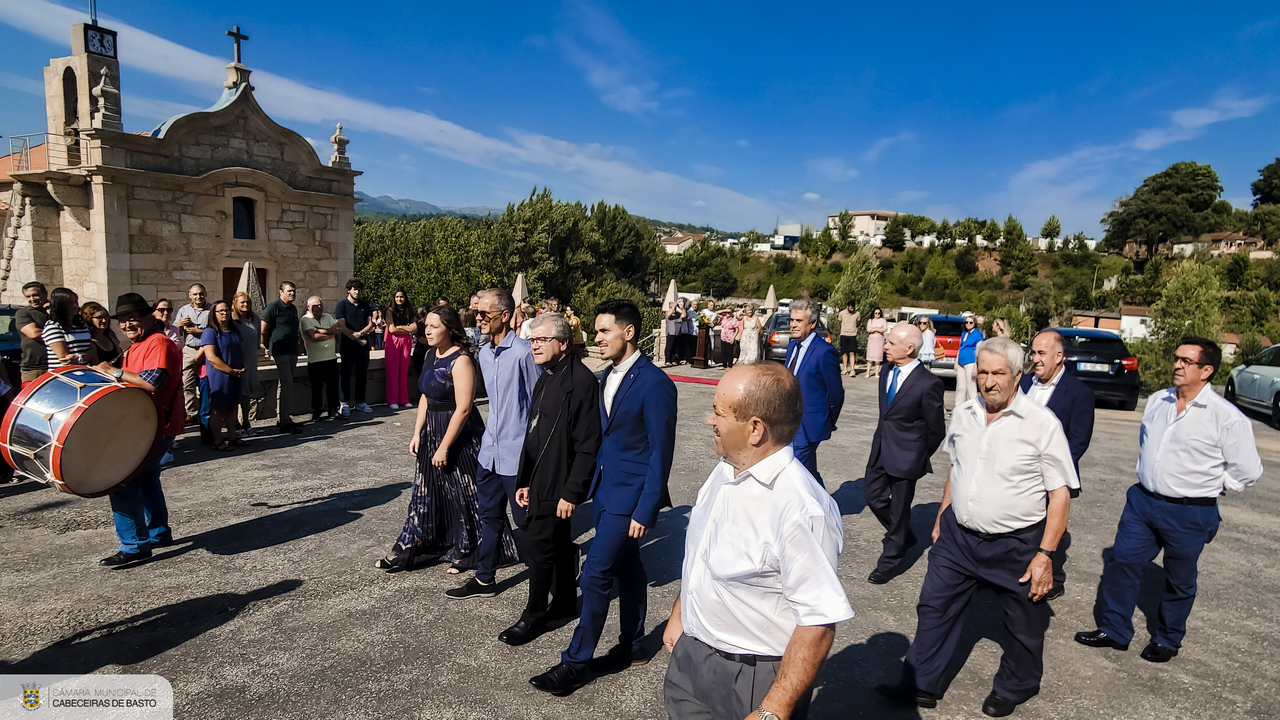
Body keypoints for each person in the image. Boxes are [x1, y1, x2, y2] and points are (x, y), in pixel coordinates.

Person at [877, 337, 1078, 718]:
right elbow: (958, 468)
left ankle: (1017, 684)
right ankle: (920, 683)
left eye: (998, 373)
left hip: (1017, 544)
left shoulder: (1041, 424)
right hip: (958, 537)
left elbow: (1060, 493)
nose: (988, 381)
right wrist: (941, 517)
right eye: (982, 372)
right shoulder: (966, 413)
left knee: (1023, 622)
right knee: (934, 607)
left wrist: (1045, 555)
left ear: (1017, 376)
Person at [663, 362, 853, 720]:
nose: (709, 420)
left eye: (719, 412)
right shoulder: (725, 471)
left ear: (754, 429)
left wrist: (773, 710)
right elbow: (702, 553)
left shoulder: (801, 508)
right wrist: (681, 614)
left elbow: (818, 620)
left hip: (754, 679)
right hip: (692, 659)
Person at [1076, 337, 1262, 664]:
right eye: (1177, 358)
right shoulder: (1158, 401)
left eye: (1187, 362)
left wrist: (1214, 486)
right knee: (1122, 562)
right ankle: (1115, 629)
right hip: (1143, 503)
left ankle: (1168, 638)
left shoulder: (1226, 417)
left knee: (1179, 579)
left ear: (1207, 371)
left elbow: (1248, 469)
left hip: (1190, 513)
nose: (1177, 365)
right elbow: (1148, 444)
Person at [529, 299, 678, 694]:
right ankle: (632, 645)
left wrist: (646, 509)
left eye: (603, 331)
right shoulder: (604, 376)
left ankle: (575, 664)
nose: (596, 338)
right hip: (605, 491)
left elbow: (661, 455)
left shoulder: (656, 384)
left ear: (628, 333)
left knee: (594, 575)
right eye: (595, 331)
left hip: (630, 498)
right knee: (628, 568)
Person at [501, 313, 602, 649]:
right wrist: (524, 479)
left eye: (541, 340)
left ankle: (533, 614)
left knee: (539, 546)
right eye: (532, 340)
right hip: (540, 477)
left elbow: (588, 444)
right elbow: (534, 430)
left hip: (560, 481)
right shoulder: (546, 376)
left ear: (562, 343)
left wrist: (572, 492)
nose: (534, 346)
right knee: (556, 542)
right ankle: (563, 602)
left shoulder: (581, 382)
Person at [379, 306, 491, 573]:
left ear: (449, 329)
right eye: (426, 326)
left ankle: (468, 550)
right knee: (425, 491)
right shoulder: (430, 354)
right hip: (432, 430)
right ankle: (406, 547)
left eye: (434, 326)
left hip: (458, 433)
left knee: (461, 493)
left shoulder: (461, 359)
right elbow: (425, 398)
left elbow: (464, 407)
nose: (427, 330)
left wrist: (444, 447)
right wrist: (417, 432)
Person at [445, 288, 534, 601]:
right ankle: (485, 579)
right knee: (489, 517)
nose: (479, 318)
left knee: (527, 520)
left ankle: (558, 567)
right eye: (476, 313)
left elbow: (539, 406)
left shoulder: (524, 352)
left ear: (505, 316)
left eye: (485, 314)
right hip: (490, 454)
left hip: (517, 456)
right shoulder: (483, 352)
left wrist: (534, 455)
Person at [94, 293, 183, 567]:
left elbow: (153, 381)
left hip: (156, 425)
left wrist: (114, 372)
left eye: (132, 318)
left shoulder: (157, 342)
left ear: (148, 317)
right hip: (149, 424)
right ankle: (158, 533)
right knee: (146, 479)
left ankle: (135, 545)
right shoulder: (140, 343)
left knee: (122, 480)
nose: (126, 325)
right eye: (122, 320)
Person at [864, 323, 946, 584]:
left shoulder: (928, 383)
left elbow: (936, 430)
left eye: (890, 343)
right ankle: (904, 535)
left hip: (908, 455)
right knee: (873, 498)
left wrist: (918, 454)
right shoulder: (887, 370)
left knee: (900, 510)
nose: (885, 346)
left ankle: (890, 561)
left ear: (909, 349)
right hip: (881, 448)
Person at [1020, 329, 1095, 599]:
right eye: (1033, 353)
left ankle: (1054, 578)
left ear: (1059, 356)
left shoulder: (1078, 393)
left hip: (1053, 474)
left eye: (1041, 353)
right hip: (1019, 471)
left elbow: (1078, 441)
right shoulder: (1025, 384)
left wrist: (1049, 468)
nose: (1035, 359)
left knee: (1052, 527)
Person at [783, 299, 844, 485]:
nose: (793, 324)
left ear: (812, 324)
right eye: (792, 320)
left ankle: (818, 508)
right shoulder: (792, 346)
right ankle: (824, 507)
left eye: (798, 321)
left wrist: (827, 420)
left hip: (808, 425)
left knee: (794, 471)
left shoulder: (824, 351)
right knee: (806, 473)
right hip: (788, 423)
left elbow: (836, 394)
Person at [200, 300, 246, 451]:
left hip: (235, 374)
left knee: (232, 406)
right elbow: (212, 357)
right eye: (220, 311)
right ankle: (218, 440)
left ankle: (233, 437)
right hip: (219, 375)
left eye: (226, 310)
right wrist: (230, 371)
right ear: (214, 313)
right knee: (218, 409)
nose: (224, 313)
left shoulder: (234, 330)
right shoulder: (210, 332)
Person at [261, 282, 303, 433]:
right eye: (289, 291)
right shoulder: (273, 307)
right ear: (281, 292)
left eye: (294, 291)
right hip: (280, 352)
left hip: (292, 351)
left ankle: (284, 417)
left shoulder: (293, 309)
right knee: (287, 383)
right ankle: (285, 420)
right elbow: (262, 329)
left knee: (285, 385)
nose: (292, 294)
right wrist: (265, 347)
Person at [335, 279, 375, 416]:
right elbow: (341, 325)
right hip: (348, 346)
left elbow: (371, 324)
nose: (357, 292)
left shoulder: (365, 305)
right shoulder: (342, 305)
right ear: (348, 290)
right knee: (346, 374)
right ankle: (344, 403)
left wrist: (360, 334)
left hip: (363, 345)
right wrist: (354, 337)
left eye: (358, 289)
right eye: (354, 289)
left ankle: (360, 402)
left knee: (362, 374)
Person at [300, 297, 344, 422]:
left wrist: (322, 331)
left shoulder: (327, 317)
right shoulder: (305, 320)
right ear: (309, 307)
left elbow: (337, 329)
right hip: (315, 360)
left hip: (331, 358)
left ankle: (333, 410)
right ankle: (317, 412)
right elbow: (313, 336)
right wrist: (329, 333)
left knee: (333, 386)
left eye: (320, 305)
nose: (319, 308)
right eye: (315, 306)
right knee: (317, 388)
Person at [175, 283, 210, 421]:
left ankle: (207, 410)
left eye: (201, 293)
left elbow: (217, 329)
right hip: (189, 349)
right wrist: (180, 324)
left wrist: (199, 331)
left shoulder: (212, 309)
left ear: (205, 294)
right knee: (187, 382)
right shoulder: (184, 310)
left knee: (207, 383)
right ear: (190, 295)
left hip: (207, 349)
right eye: (195, 294)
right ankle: (192, 412)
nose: (198, 296)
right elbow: (175, 330)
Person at [231, 293, 264, 436]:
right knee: (235, 393)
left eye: (247, 303)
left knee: (247, 394)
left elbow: (257, 340)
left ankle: (246, 421)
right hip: (235, 360)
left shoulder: (255, 319)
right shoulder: (231, 320)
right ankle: (235, 424)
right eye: (242, 302)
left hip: (250, 360)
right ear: (235, 303)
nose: (245, 305)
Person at [42, 287, 97, 368]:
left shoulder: (82, 324)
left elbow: (93, 351)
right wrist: (86, 356)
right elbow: (66, 359)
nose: (75, 305)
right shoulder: (53, 327)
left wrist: (80, 358)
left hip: (85, 371)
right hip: (63, 374)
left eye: (75, 301)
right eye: (70, 303)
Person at [384, 288, 416, 411]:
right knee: (392, 371)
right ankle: (392, 400)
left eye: (401, 297)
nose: (399, 299)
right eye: (397, 297)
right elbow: (392, 329)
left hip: (405, 341)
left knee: (404, 370)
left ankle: (404, 399)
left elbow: (415, 327)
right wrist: (407, 328)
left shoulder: (408, 310)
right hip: (393, 341)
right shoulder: (390, 311)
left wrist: (401, 327)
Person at [14, 281, 50, 387]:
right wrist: (58, 335)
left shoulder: (54, 312)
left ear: (45, 294)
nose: (32, 299)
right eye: (28, 296)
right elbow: (34, 333)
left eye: (35, 295)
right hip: (34, 368)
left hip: (57, 364)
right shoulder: (24, 313)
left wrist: (52, 312)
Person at [954, 313, 984, 406]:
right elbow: (960, 348)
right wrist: (956, 362)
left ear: (974, 323)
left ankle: (973, 407)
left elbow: (979, 350)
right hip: (961, 362)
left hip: (971, 362)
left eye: (970, 322)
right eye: (966, 322)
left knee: (971, 387)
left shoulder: (978, 334)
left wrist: (976, 365)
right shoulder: (964, 333)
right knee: (961, 387)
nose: (968, 324)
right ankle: (958, 407)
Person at [83, 302, 123, 367]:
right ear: (89, 319)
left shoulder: (110, 334)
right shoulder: (88, 341)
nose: (104, 320)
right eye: (99, 317)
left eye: (106, 316)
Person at [408, 305, 432, 406]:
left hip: (423, 351)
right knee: (424, 376)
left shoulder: (423, 324)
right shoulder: (420, 325)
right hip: (422, 352)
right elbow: (422, 340)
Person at [838, 301, 861, 376]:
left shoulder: (857, 314)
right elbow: (840, 322)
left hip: (852, 335)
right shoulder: (842, 313)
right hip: (844, 334)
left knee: (852, 352)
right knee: (844, 353)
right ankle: (844, 369)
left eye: (853, 308)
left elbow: (858, 323)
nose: (852, 309)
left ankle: (852, 370)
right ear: (847, 306)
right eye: (851, 307)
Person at [865, 307, 888, 378]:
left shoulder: (883, 320)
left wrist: (875, 329)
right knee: (870, 356)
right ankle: (868, 372)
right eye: (876, 313)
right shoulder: (870, 320)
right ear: (873, 313)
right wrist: (878, 329)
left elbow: (884, 329)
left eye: (879, 313)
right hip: (872, 340)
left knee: (878, 357)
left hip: (879, 341)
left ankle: (876, 373)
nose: (877, 314)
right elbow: (869, 329)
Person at [664, 299, 684, 366]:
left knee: (675, 347)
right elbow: (669, 315)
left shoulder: (678, 314)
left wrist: (682, 308)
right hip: (670, 332)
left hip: (677, 332)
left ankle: (673, 359)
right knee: (669, 347)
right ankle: (667, 360)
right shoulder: (668, 313)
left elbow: (684, 315)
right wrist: (673, 306)